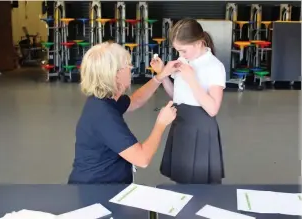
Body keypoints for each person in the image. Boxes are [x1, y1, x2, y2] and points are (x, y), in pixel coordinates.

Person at [68, 42, 178, 184]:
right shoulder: (103, 115)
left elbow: (135, 100)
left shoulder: (104, 98)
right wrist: (161, 123)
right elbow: (142, 159)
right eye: (127, 65)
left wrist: (160, 76)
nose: (131, 68)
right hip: (97, 189)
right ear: (115, 74)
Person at [150, 18, 226, 184]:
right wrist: (162, 74)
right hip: (181, 124)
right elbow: (176, 96)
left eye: (183, 50)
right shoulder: (184, 61)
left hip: (200, 128)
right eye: (178, 51)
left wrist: (191, 79)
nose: (180, 55)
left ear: (199, 43)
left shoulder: (214, 66)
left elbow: (213, 109)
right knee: (182, 181)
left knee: (199, 185)